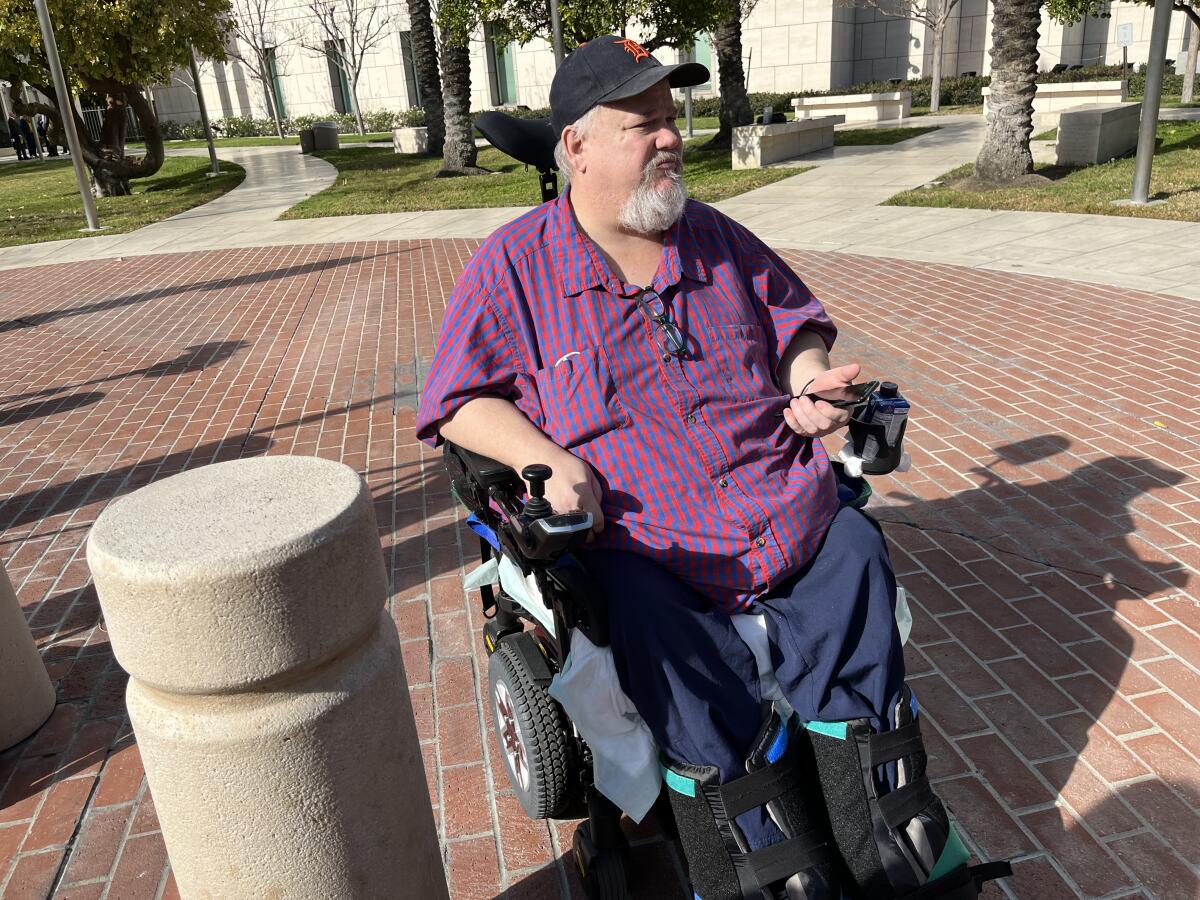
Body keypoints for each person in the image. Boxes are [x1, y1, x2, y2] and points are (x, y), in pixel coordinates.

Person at [416, 36, 1006, 900]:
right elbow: (457, 401)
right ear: (575, 147)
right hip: (652, 545)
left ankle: (890, 826)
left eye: (670, 119)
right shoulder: (511, 269)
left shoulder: (717, 239)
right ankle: (761, 862)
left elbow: (795, 326)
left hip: (783, 511)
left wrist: (809, 386)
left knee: (853, 551)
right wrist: (544, 457)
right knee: (653, 628)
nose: (669, 138)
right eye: (642, 124)